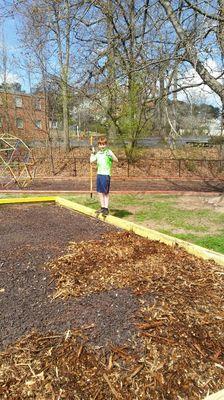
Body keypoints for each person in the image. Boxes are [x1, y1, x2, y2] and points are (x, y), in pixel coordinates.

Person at [90, 136, 118, 216]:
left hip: (106, 175)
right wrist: (92, 152)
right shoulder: (98, 153)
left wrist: (111, 156)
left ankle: (106, 208)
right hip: (99, 174)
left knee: (105, 192)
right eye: (100, 144)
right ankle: (102, 208)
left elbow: (116, 160)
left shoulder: (108, 152)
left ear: (106, 144)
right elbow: (91, 161)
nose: (102, 146)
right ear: (98, 145)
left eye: (103, 144)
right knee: (99, 192)